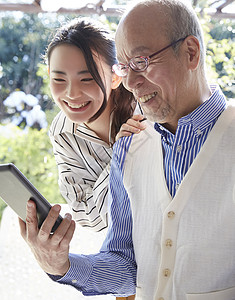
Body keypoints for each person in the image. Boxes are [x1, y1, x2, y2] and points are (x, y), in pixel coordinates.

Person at [19, 1, 235, 299]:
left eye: (142, 62)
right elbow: (127, 266)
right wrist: (63, 266)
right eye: (124, 66)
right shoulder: (129, 146)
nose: (131, 83)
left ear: (191, 53)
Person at [46, 18, 145, 232]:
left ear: (115, 77)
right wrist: (121, 156)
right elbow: (89, 217)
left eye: (87, 79)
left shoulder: (145, 111)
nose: (71, 94)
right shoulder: (63, 132)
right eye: (59, 80)